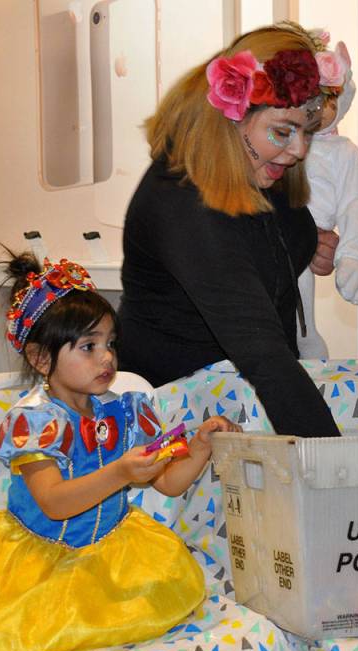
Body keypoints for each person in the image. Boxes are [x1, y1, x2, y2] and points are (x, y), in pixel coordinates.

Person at [0, 253, 240, 651]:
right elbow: (55, 503)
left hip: (115, 550)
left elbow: (169, 484)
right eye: (88, 346)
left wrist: (198, 448)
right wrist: (119, 472)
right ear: (42, 359)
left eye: (110, 343)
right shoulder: (36, 422)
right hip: (37, 562)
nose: (107, 359)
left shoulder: (126, 412)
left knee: (164, 592)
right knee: (19, 629)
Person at [119, 22, 342, 436]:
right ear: (233, 117)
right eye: (282, 132)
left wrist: (310, 245)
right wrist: (337, 473)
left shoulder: (257, 169)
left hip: (237, 403)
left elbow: (271, 240)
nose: (298, 150)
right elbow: (263, 352)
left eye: (306, 132)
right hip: (176, 425)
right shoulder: (183, 202)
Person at [296, 39, 358, 359]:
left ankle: (305, 336)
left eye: (330, 99)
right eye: (313, 99)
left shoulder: (345, 152)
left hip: (309, 243)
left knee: (300, 299)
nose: (321, 110)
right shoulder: (284, 141)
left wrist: (352, 256)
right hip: (288, 240)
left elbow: (356, 207)